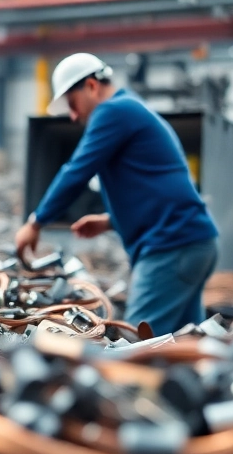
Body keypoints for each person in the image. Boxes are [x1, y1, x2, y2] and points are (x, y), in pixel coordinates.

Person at [13, 52, 219, 336]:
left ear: (91, 86)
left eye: (72, 104)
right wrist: (111, 220)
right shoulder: (131, 109)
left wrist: (36, 222)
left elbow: (77, 171)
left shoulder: (114, 111)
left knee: (134, 343)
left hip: (170, 247)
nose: (73, 117)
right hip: (192, 243)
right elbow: (156, 186)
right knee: (185, 343)